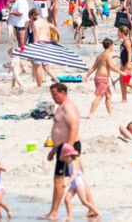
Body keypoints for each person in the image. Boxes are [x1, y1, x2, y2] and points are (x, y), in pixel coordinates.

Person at [43, 82, 80, 220]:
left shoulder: (68, 107)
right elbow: (61, 129)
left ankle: (54, 213)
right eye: (52, 95)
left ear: (63, 93)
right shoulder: (61, 107)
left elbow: (74, 127)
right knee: (64, 179)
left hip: (68, 147)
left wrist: (67, 148)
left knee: (60, 179)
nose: (53, 97)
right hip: (62, 147)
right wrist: (54, 150)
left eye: (55, 94)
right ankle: (53, 211)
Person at [60, 144, 101, 218]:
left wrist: (67, 183)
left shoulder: (74, 162)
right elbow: (61, 159)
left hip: (79, 184)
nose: (62, 156)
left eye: (62, 154)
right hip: (73, 185)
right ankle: (70, 217)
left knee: (84, 201)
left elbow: (74, 174)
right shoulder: (68, 163)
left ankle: (97, 213)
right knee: (67, 199)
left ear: (67, 155)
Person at [84, 38, 119, 118]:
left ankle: (110, 113)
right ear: (110, 46)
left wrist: (87, 75)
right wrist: (122, 73)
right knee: (100, 96)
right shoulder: (108, 55)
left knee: (108, 96)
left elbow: (93, 67)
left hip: (98, 77)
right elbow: (112, 67)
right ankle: (91, 113)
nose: (113, 46)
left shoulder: (100, 55)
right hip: (102, 78)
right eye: (113, 45)